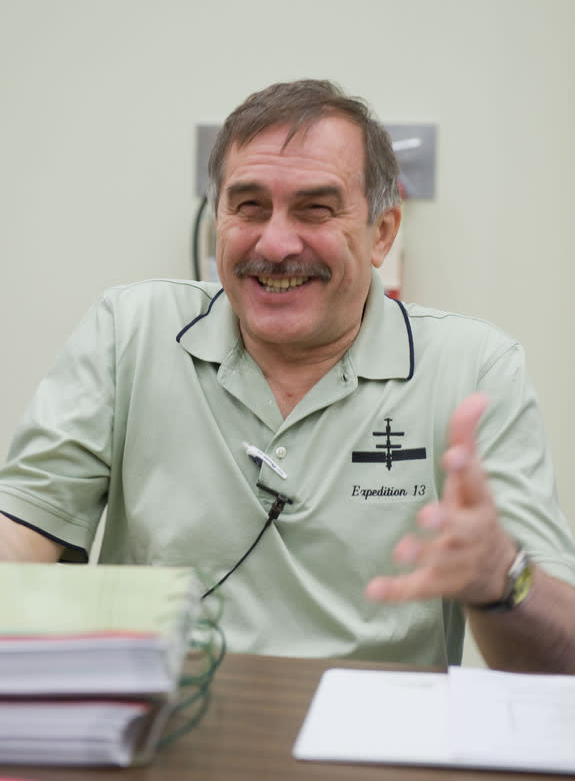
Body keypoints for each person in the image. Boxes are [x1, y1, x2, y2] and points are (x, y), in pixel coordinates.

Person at [1, 79, 574, 672]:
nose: (274, 244)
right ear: (218, 218)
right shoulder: (129, 331)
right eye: (248, 207)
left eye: (315, 209)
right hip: (160, 733)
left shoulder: (473, 367)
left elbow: (561, 659)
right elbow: (22, 532)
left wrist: (503, 576)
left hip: (374, 751)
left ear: (382, 233)